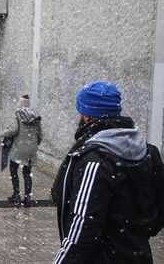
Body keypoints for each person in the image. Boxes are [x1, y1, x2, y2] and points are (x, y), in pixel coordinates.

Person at [51, 80, 161, 264]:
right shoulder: (148, 152)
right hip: (140, 256)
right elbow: (158, 211)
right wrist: (133, 237)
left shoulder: (94, 161)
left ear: (87, 116)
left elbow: (82, 228)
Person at [0, 94, 42, 207]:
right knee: (27, 173)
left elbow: (14, 129)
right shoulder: (36, 116)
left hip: (18, 148)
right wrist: (33, 145)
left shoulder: (18, 114)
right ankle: (27, 198)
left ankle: (16, 195)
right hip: (31, 150)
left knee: (14, 171)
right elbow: (40, 135)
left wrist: (2, 133)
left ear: (20, 103)